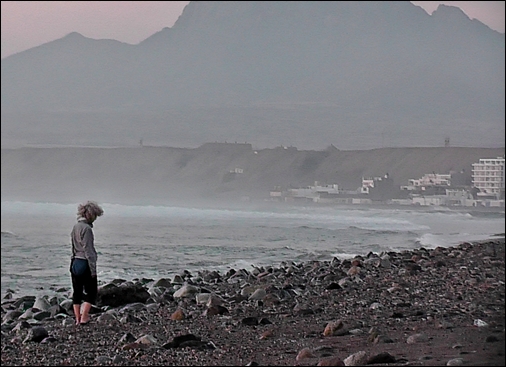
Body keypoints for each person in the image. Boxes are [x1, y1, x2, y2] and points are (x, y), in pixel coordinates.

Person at [69, 200, 104, 325]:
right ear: (91, 215)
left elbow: (73, 247)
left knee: (77, 292)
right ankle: (84, 317)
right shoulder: (87, 229)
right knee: (91, 291)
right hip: (85, 263)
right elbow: (88, 250)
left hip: (75, 262)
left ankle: (77, 318)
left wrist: (72, 262)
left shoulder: (75, 227)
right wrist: (93, 269)